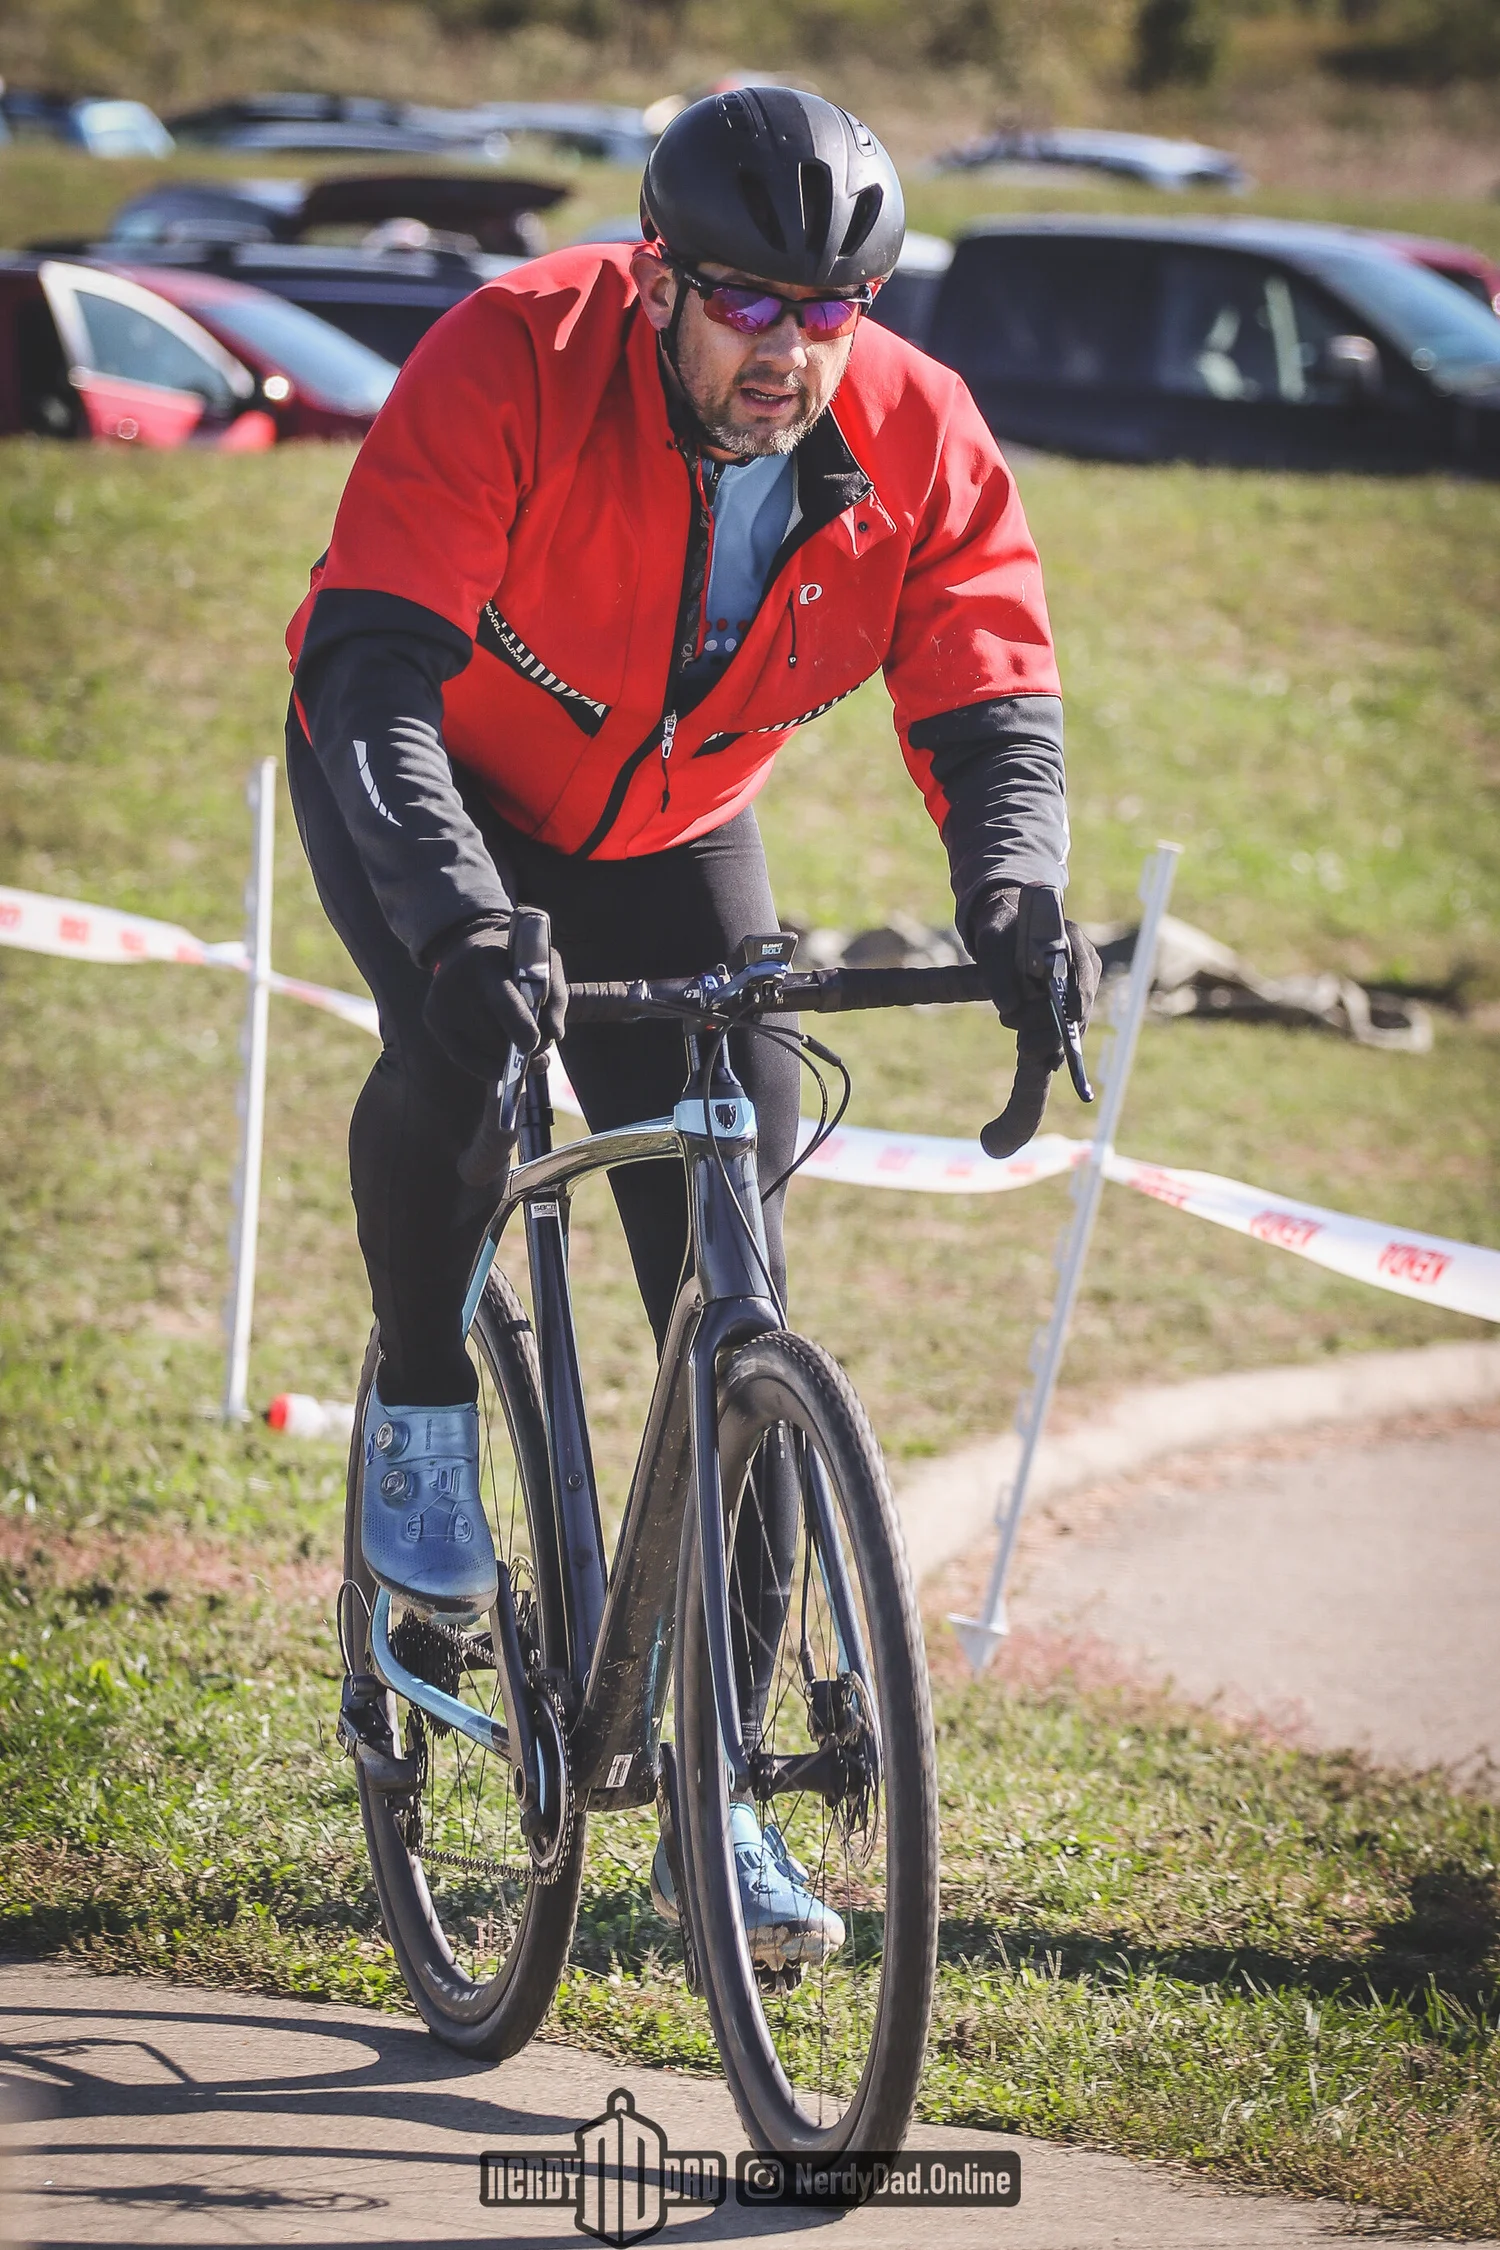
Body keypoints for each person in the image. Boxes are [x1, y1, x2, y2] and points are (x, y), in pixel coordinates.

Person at [285, 85, 1099, 1964]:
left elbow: (989, 688)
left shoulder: (913, 429)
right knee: (462, 1045)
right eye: (746, 303)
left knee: (737, 1288)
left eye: (832, 309)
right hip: (429, 774)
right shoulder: (513, 354)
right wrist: (458, 921)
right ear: (659, 278)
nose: (789, 349)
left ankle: (716, 1794)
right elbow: (374, 666)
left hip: (671, 826)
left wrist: (1014, 898)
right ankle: (425, 1402)